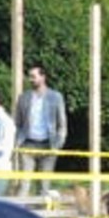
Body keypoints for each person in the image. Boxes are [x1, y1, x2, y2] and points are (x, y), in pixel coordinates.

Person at [12, 66, 66, 194]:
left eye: (33, 76)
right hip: (27, 144)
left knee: (44, 185)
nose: (30, 79)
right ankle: (19, 212)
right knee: (23, 184)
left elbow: (62, 124)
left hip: (48, 145)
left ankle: (41, 213)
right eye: (29, 76)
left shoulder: (56, 97)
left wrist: (58, 144)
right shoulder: (23, 97)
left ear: (43, 77)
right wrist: (17, 141)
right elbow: (17, 122)